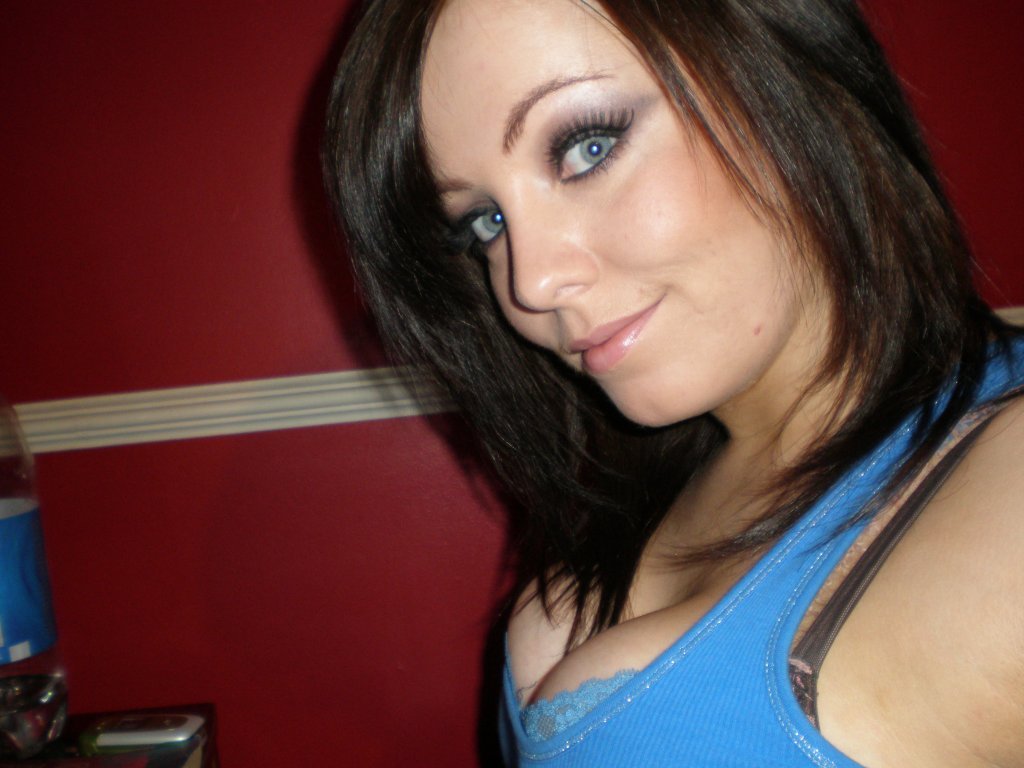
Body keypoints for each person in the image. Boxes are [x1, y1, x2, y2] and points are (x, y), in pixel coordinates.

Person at [322, 1, 1024, 765]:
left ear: (783, 71)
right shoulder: (669, 475)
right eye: (486, 222)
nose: (532, 282)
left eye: (587, 147)